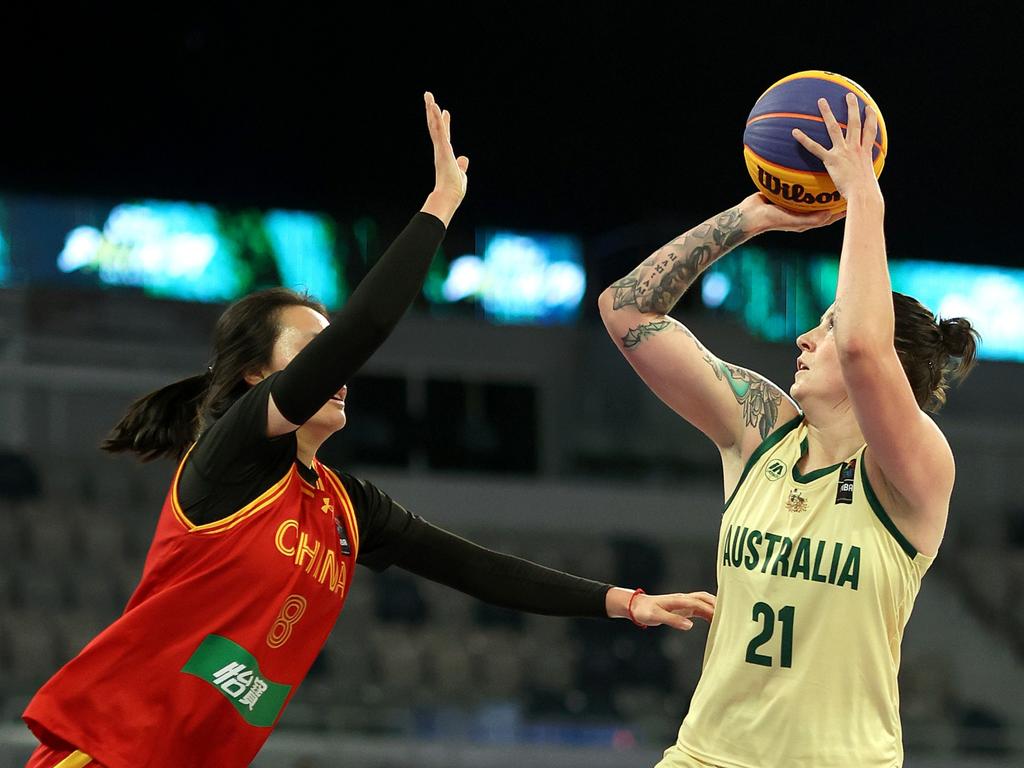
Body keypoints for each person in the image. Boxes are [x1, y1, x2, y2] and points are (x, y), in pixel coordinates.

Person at [21, 93, 716, 768]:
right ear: (254, 379)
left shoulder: (345, 509)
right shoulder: (233, 457)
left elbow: (476, 569)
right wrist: (440, 206)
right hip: (106, 753)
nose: (336, 371)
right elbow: (364, 330)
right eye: (310, 354)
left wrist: (625, 602)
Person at [599, 93, 979, 768]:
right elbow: (626, 311)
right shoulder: (761, 429)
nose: (804, 337)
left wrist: (864, 193)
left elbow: (865, 348)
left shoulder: (914, 471)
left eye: (825, 324)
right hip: (705, 757)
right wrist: (747, 219)